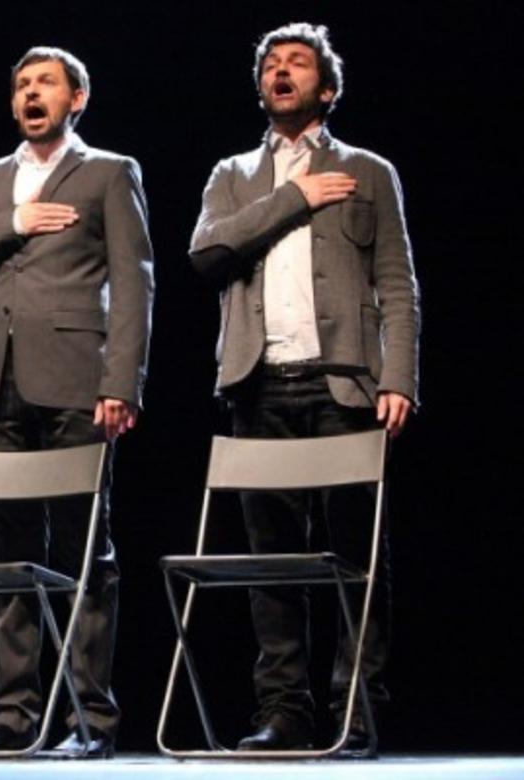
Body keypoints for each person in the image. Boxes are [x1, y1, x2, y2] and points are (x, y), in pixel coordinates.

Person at [189, 23, 419, 754]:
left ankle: (357, 711)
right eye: (272, 64)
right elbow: (206, 253)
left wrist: (399, 376)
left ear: (328, 87)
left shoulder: (369, 171)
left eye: (298, 63)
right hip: (257, 386)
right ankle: (284, 712)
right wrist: (294, 196)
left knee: (358, 556)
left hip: (345, 386)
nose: (281, 72)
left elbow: (397, 284)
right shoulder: (232, 174)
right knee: (272, 562)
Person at [0, 46, 154, 758]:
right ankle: (14, 718)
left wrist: (122, 381)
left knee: (87, 547)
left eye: (46, 83)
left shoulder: (109, 171)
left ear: (76, 98)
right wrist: (14, 222)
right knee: (12, 552)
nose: (31, 93)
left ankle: (89, 719)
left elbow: (134, 281)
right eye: (22, 85)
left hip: (77, 379)